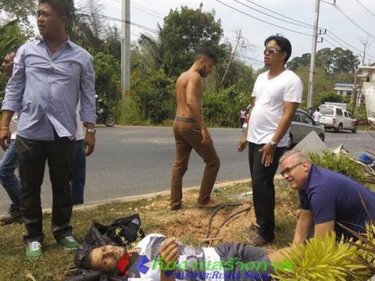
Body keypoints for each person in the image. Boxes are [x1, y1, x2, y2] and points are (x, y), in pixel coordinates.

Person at [0, 0, 96, 259]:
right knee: (30, 186)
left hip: (63, 132)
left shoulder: (81, 57)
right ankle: (33, 237)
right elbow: (14, 88)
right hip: (30, 131)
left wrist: (90, 130)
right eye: (38, 14)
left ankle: (62, 231)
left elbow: (88, 96)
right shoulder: (26, 52)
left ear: (63, 18)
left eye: (45, 14)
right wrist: (4, 123)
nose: (39, 19)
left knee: (62, 185)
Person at [238, 35, 303, 246]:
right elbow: (254, 108)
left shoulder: (291, 80)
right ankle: (262, 222)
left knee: (262, 184)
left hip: (271, 143)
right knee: (259, 184)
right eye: (265, 50)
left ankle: (267, 233)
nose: (266, 53)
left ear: (283, 55)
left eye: (271, 50)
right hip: (256, 139)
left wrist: (273, 143)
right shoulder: (260, 78)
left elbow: (288, 114)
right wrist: (245, 133)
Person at [75, 233, 291, 281]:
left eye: (104, 251)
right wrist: (166, 270)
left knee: (285, 264)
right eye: (105, 261)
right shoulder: (135, 277)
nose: (109, 253)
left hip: (224, 252)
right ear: (108, 269)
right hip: (222, 276)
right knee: (292, 258)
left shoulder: (145, 241)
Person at [279, 150, 375, 243]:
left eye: (288, 170)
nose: (285, 176)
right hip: (356, 235)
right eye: (283, 173)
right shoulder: (306, 183)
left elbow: (322, 243)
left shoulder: (320, 190)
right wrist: (295, 250)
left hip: (369, 241)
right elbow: (304, 220)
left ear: (305, 166)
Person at [170, 48, 220, 210]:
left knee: (180, 164)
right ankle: (203, 200)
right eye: (210, 66)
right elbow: (191, 102)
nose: (210, 70)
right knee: (213, 162)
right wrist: (203, 129)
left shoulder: (182, 76)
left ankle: (175, 203)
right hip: (190, 124)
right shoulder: (195, 77)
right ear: (202, 62)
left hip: (178, 122)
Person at [0, 50, 22, 225]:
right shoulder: (11, 83)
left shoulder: (23, 82)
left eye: (7, 62)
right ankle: (19, 209)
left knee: (4, 170)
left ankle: (23, 208)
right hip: (15, 135)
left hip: (23, 135)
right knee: (23, 176)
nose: (3, 65)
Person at [71, 105, 86, 205]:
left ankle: (77, 207)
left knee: (78, 178)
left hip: (77, 135)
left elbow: (88, 101)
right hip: (51, 135)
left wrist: (90, 131)